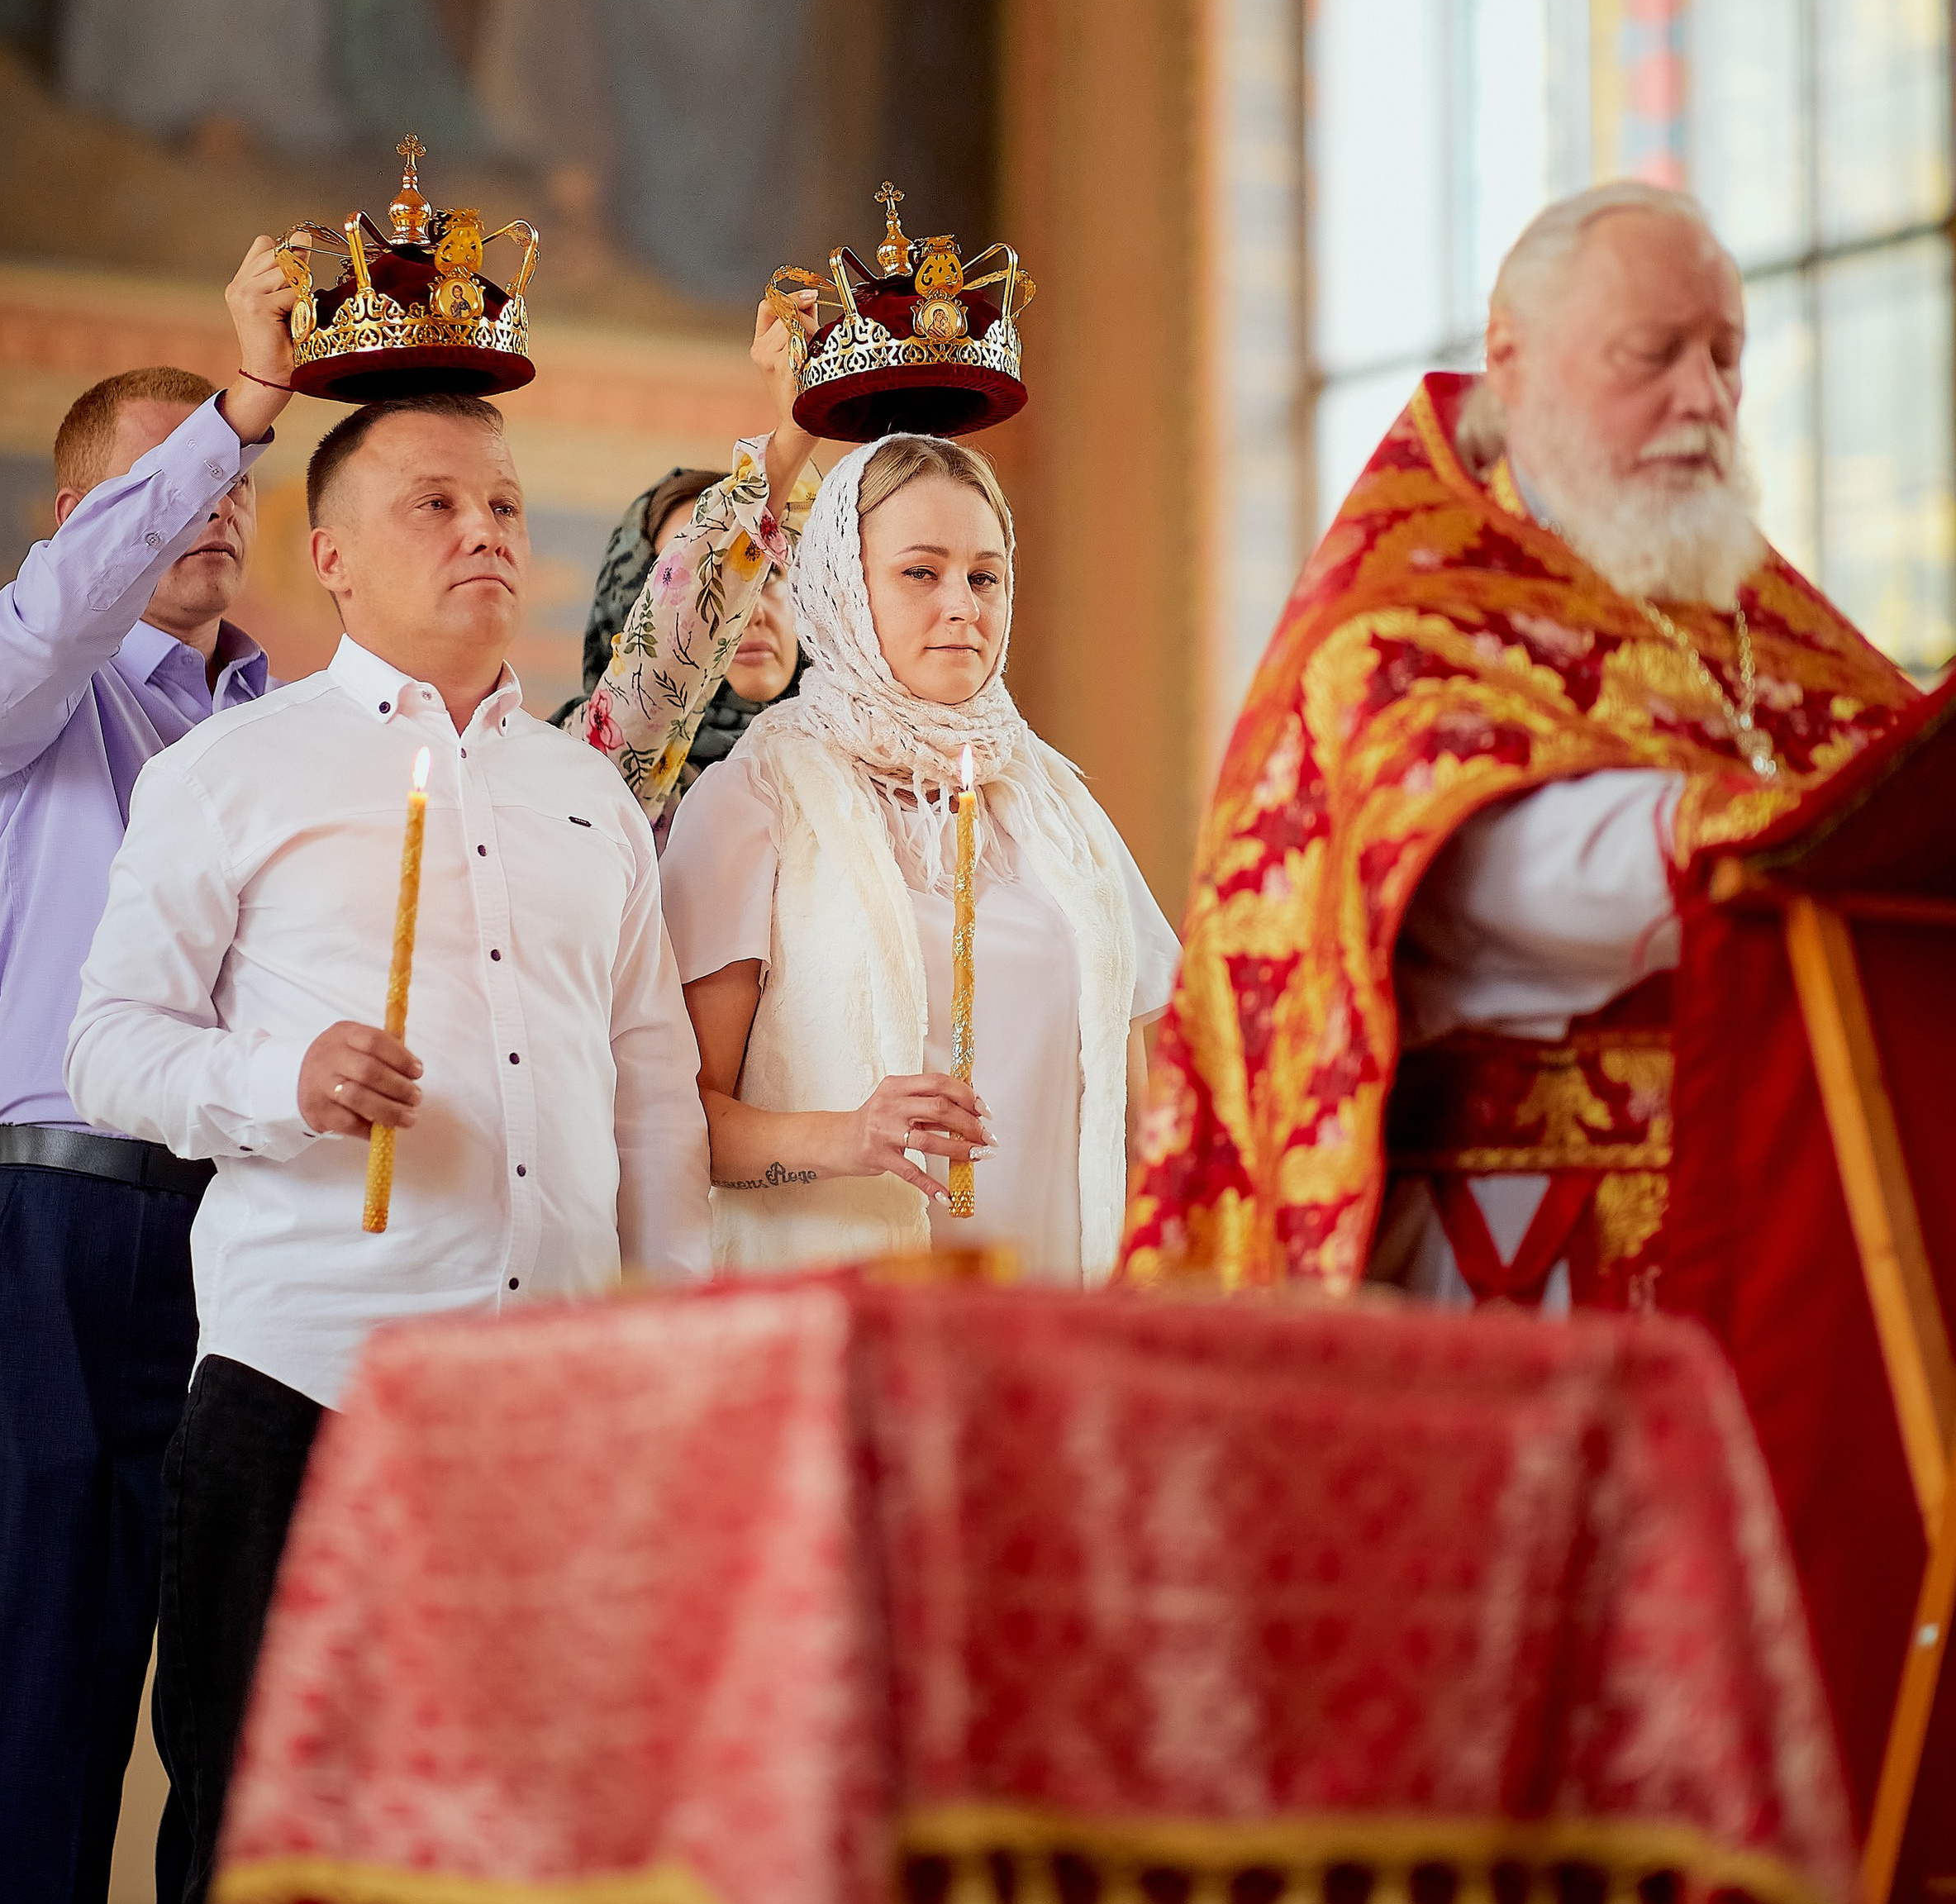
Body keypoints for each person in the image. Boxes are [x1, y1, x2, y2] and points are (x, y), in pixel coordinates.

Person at [64, 391, 711, 1904]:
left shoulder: (588, 800)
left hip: (555, 1405)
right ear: (334, 558)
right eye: (437, 504)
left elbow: (649, 1098)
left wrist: (682, 1344)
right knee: (259, 1822)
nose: (487, 531)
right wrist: (292, 1074)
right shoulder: (233, 771)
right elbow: (107, 1048)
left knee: (537, 1843)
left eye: (502, 504)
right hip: (304, 1381)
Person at [1122, 182, 1918, 1307]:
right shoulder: (1398, 617)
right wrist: (1792, 834)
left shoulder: (1754, 613)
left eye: (1727, 356)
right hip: (1523, 1256)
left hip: (1781, 1236)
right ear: (1515, 362)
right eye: (1653, 353)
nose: (1704, 397)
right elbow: (1512, 886)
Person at [0, 244, 299, 1904]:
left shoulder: (283, 742)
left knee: (237, 1730)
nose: (222, 505)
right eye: (182, 478)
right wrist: (230, 409)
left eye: (239, 483)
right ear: (77, 515)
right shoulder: (11, 688)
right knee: (56, 1719)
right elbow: (54, 617)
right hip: (70, 1236)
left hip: (253, 1240)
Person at [661, 433, 1179, 1283]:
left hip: (1055, 1316)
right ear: (843, 587)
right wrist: (846, 1134)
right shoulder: (756, 794)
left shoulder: (1058, 806)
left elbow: (1131, 1126)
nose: (961, 606)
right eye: (920, 572)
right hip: (842, 1318)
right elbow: (672, 1124)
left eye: (984, 575)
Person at [559, 289, 819, 835]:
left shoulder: (853, 769)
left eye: (769, 574)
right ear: (632, 614)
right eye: (675, 577)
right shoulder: (575, 767)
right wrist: (792, 437)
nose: (744, 608)